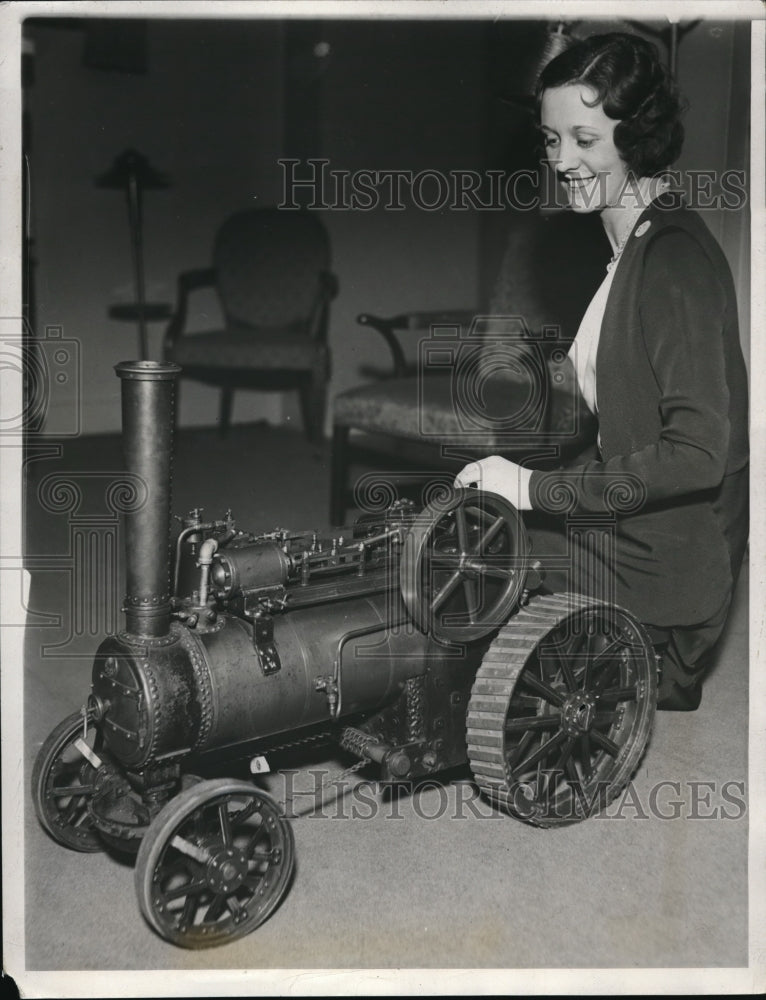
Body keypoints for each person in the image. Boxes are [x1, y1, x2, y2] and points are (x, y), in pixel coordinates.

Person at [454, 32, 749, 710]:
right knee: (466, 527)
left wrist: (534, 489)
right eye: (552, 140)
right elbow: (623, 426)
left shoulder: (672, 264)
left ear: (637, 137)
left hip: (669, 581)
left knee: (477, 557)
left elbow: (699, 456)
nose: (562, 160)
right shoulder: (635, 247)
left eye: (585, 140)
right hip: (639, 537)